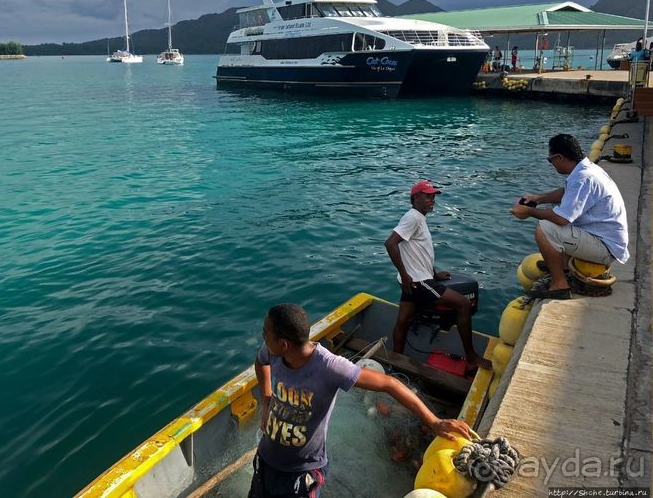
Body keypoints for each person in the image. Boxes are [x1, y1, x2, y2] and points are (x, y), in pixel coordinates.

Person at [250, 303, 474, 498]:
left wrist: (434, 422)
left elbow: (390, 384)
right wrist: (267, 399)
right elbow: (260, 364)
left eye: (265, 332)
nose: (262, 336)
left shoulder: (330, 366)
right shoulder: (272, 352)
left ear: (284, 344)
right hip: (266, 463)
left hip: (300, 474)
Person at [384, 180, 491, 371]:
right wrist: (405, 274)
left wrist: (434, 274)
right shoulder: (413, 217)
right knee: (464, 305)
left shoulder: (419, 218)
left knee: (403, 321)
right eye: (427, 196)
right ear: (415, 197)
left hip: (415, 280)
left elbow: (418, 253)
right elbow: (390, 243)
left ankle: (395, 361)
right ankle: (472, 357)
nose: (432, 200)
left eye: (433, 196)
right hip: (417, 282)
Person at [509, 134, 629, 299]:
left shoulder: (584, 178)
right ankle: (563, 267)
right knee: (552, 210)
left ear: (560, 157)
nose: (552, 164)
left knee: (544, 228)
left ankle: (559, 285)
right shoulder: (585, 170)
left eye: (550, 160)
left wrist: (529, 212)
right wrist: (539, 198)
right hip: (604, 239)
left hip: (605, 248)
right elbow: (567, 194)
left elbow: (562, 219)